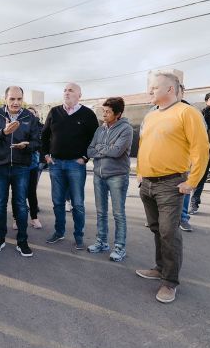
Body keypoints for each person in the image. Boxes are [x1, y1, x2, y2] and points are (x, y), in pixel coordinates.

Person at [135, 72, 209, 304]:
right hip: (147, 183)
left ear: (170, 90)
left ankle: (170, 282)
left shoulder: (187, 113)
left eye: (154, 88)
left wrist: (192, 182)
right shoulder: (151, 115)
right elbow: (144, 145)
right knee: (157, 229)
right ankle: (160, 268)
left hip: (170, 184)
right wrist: (139, 174)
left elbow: (201, 148)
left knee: (169, 232)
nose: (150, 92)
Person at [0, 86, 41, 257]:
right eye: (12, 99)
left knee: (21, 205)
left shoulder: (29, 117)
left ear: (22, 99)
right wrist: (3, 132)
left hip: (21, 167)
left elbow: (37, 142)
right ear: (5, 98)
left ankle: (22, 241)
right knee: (0, 203)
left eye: (19, 99)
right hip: (0, 166)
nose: (16, 102)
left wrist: (28, 145)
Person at [41, 82, 100, 249]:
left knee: (78, 203)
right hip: (56, 164)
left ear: (79, 95)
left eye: (71, 90)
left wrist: (85, 157)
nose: (67, 93)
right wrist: (46, 155)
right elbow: (44, 136)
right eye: (65, 90)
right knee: (58, 201)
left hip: (76, 164)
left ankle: (78, 236)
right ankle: (59, 232)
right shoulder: (54, 112)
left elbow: (95, 139)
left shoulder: (87, 114)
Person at [86, 97, 134, 262]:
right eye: (103, 111)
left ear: (118, 114)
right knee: (101, 212)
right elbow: (90, 150)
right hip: (98, 175)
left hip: (117, 176)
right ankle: (101, 242)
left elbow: (116, 152)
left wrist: (101, 149)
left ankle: (120, 248)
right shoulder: (100, 129)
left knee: (118, 213)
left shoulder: (126, 129)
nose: (104, 114)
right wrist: (105, 149)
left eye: (107, 112)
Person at [13, 106, 43, 230]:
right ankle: (16, 219)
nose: (30, 115)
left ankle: (34, 218)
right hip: (18, 163)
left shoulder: (40, 127)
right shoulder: (18, 125)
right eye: (27, 113)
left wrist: (28, 145)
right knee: (17, 193)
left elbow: (39, 143)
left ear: (36, 115)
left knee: (31, 192)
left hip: (33, 164)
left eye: (33, 113)